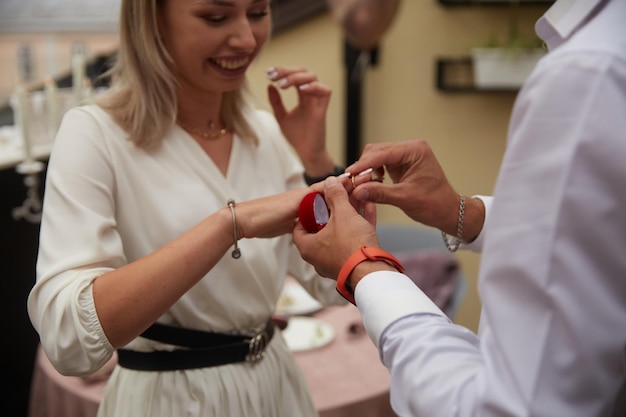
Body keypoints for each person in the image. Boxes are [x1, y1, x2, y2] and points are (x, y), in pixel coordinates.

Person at [293, 0, 626, 416]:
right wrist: (460, 211)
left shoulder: (591, 72)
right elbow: (596, 237)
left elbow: (510, 408)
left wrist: (363, 265)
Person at [27, 1, 346, 416]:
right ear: (153, 19)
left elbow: (330, 286)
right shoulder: (93, 135)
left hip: (276, 389)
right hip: (167, 401)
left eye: (257, 12)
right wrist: (231, 224)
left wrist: (316, 162)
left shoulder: (264, 133)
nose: (247, 39)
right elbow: (68, 337)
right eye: (216, 17)